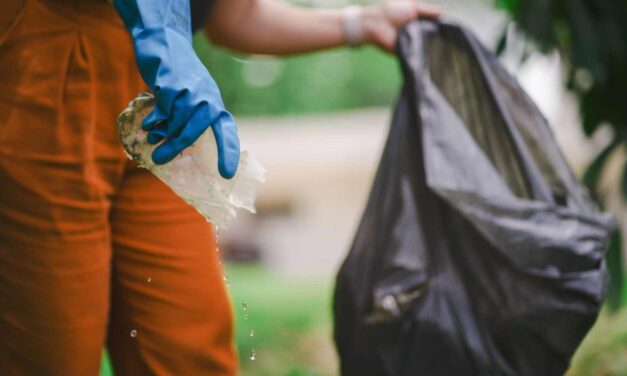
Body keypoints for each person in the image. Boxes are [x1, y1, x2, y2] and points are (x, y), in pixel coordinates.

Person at [0, 0, 439, 374]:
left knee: (187, 347)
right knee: (50, 349)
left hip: (159, 102)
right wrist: (164, 34)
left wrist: (358, 24)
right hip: (41, 58)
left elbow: (233, 16)